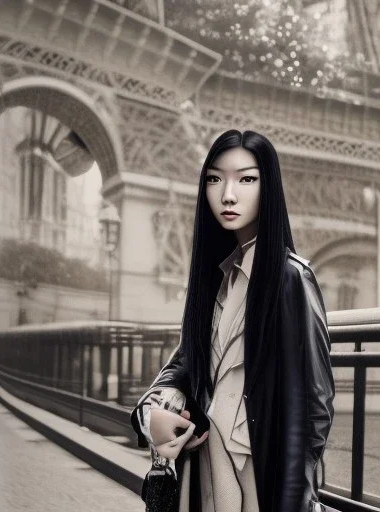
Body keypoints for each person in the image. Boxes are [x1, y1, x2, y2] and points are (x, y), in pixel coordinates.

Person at [131, 129, 335, 512]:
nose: (228, 194)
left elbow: (315, 409)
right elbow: (182, 365)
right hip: (206, 473)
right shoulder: (216, 280)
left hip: (261, 481)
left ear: (268, 187)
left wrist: (294, 500)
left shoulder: (291, 280)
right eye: (214, 179)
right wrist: (151, 415)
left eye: (246, 179)